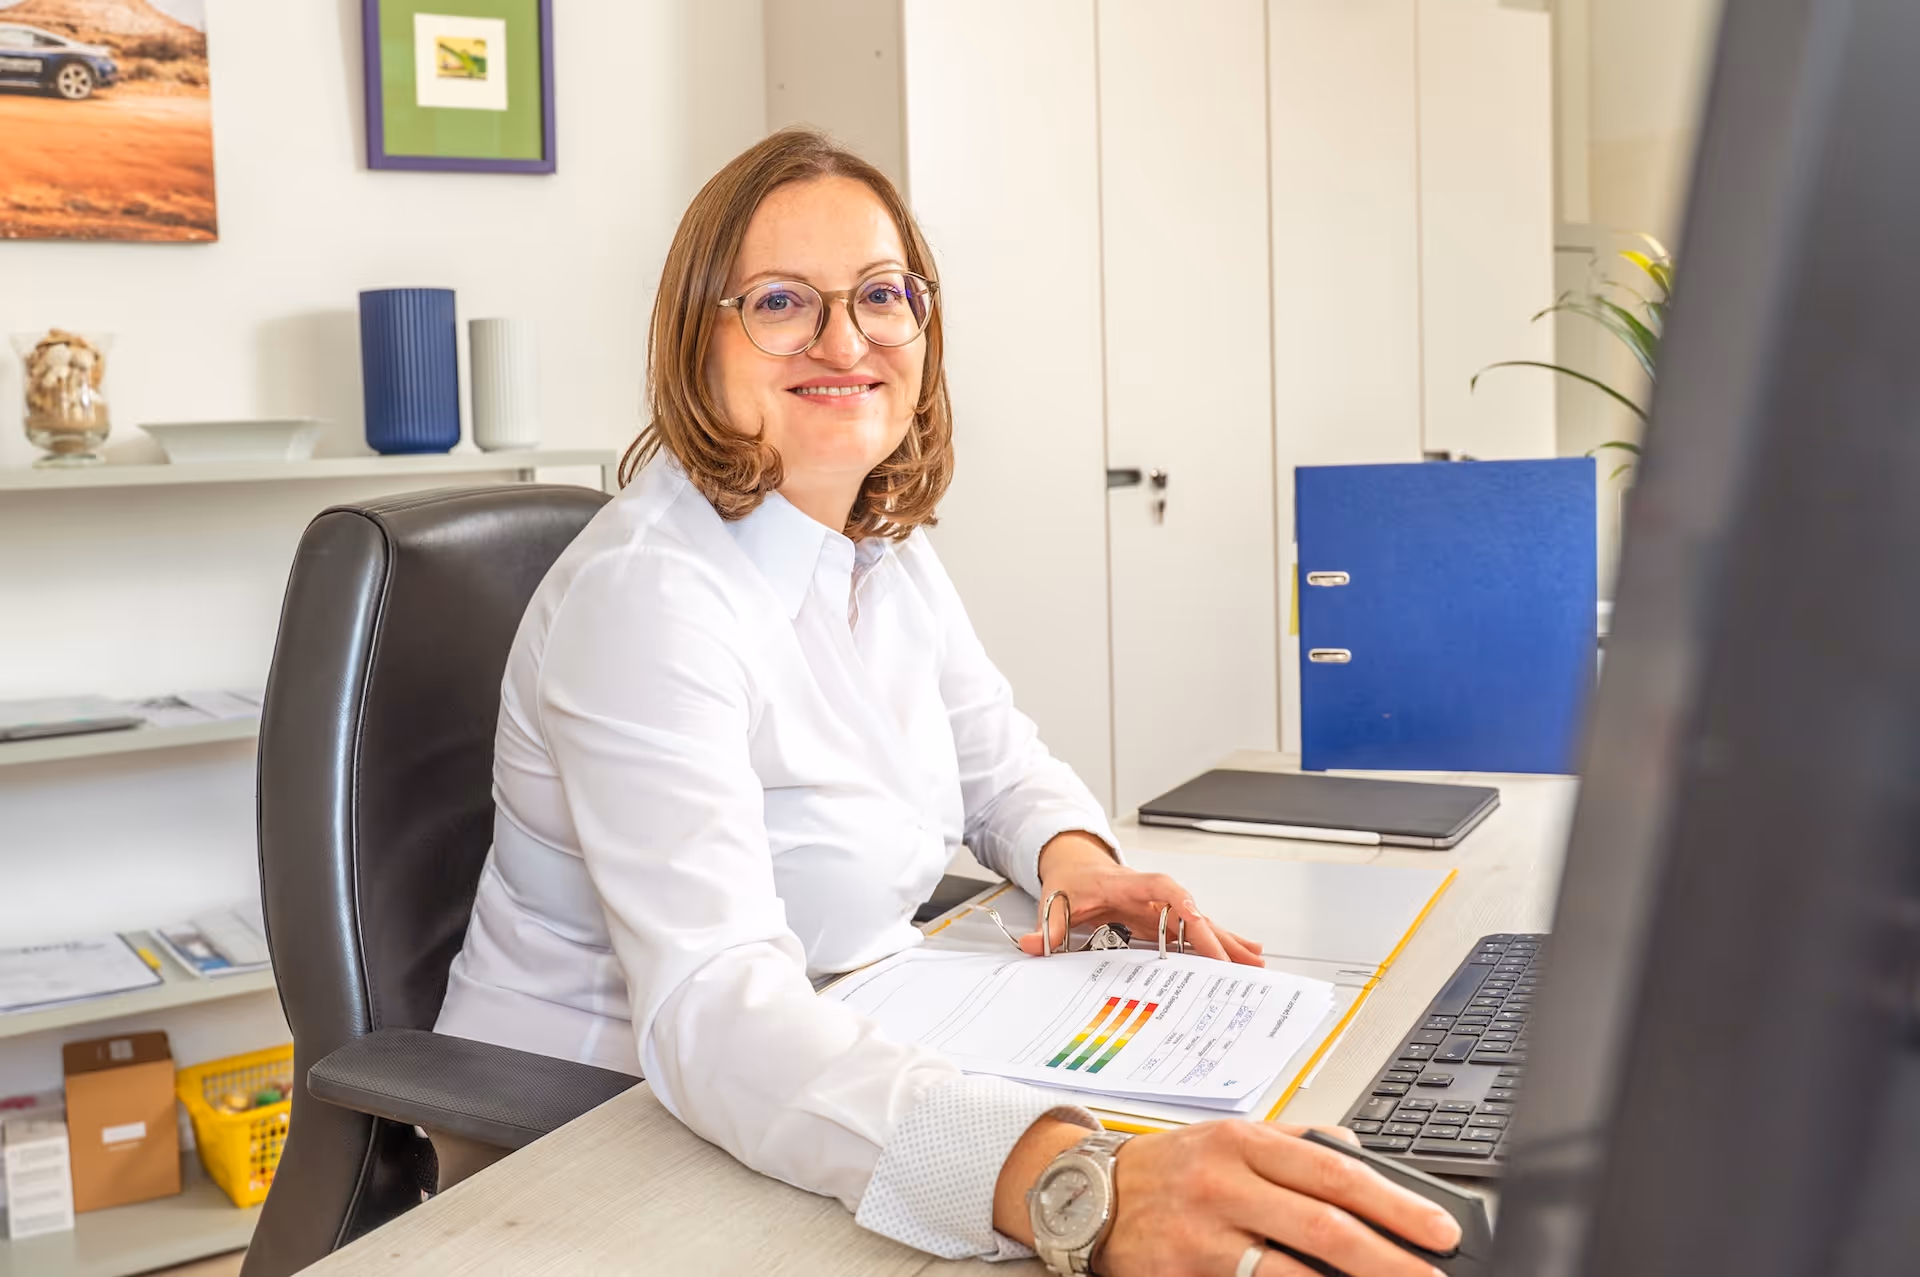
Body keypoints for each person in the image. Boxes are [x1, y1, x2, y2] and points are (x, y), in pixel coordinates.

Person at [435, 128, 1460, 1277]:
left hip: (840, 1060)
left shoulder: (883, 549)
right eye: (781, 301)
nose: (845, 340)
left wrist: (1074, 858)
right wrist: (1077, 1182)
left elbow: (998, 764)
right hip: (597, 1136)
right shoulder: (648, 598)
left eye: (882, 294)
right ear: (695, 338)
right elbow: (713, 1005)